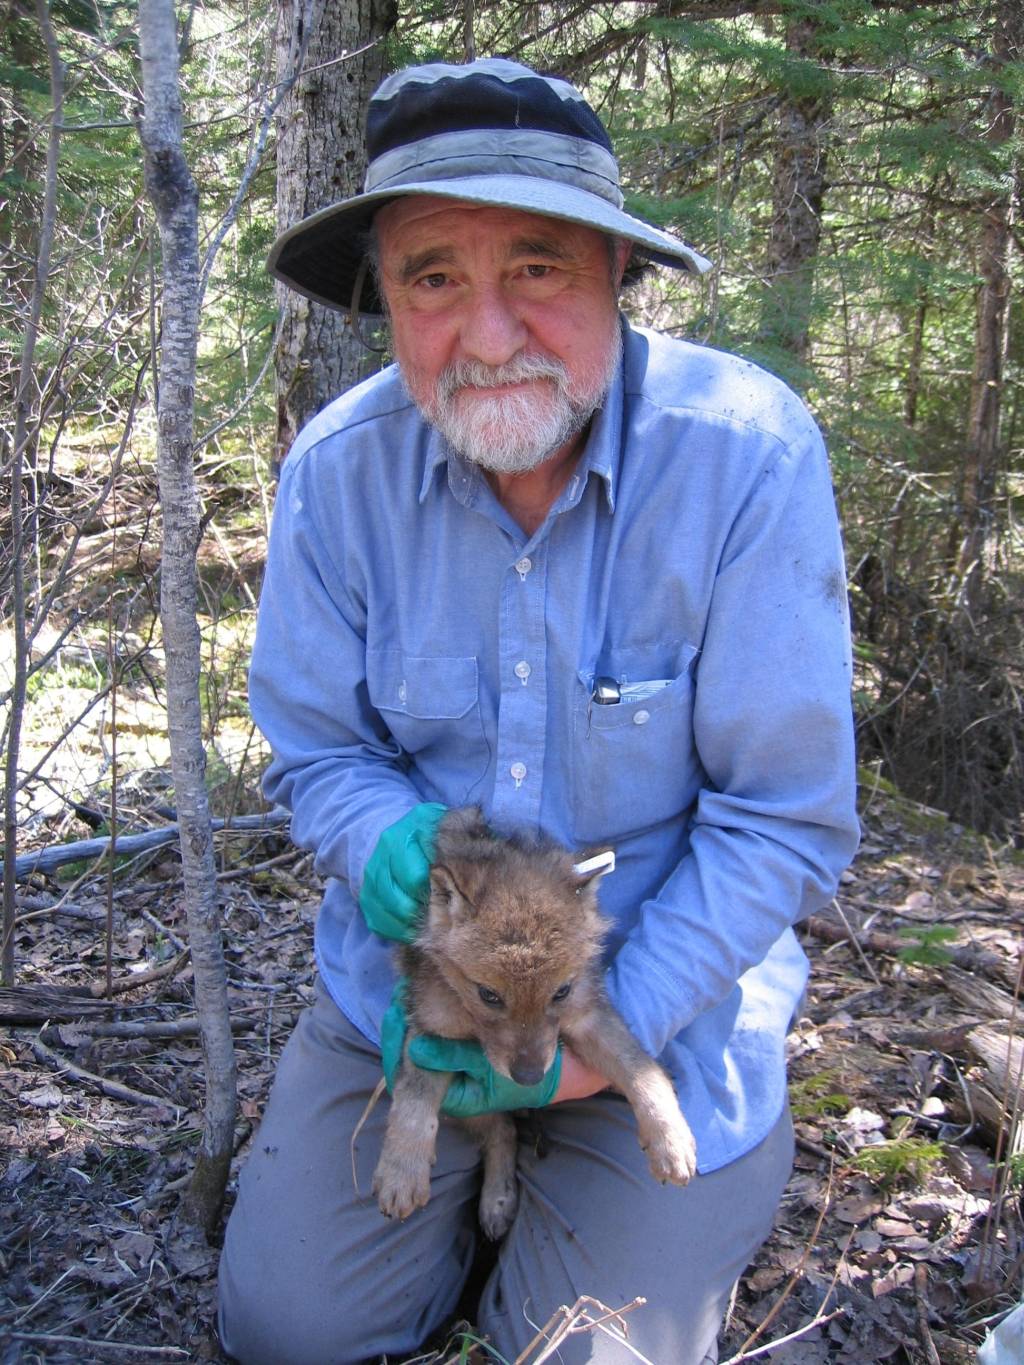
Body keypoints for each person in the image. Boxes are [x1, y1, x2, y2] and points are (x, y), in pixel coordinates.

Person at [218, 57, 859, 1365]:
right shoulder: (337, 478)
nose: (488, 330)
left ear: (617, 276)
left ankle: (595, 1207)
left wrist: (589, 1043)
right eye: (433, 276)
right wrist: (382, 843)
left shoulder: (746, 458)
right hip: (417, 1001)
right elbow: (317, 750)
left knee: (581, 1353)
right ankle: (447, 1207)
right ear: (383, 298)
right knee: (287, 1328)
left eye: (539, 266)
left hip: (653, 1003)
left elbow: (785, 818)